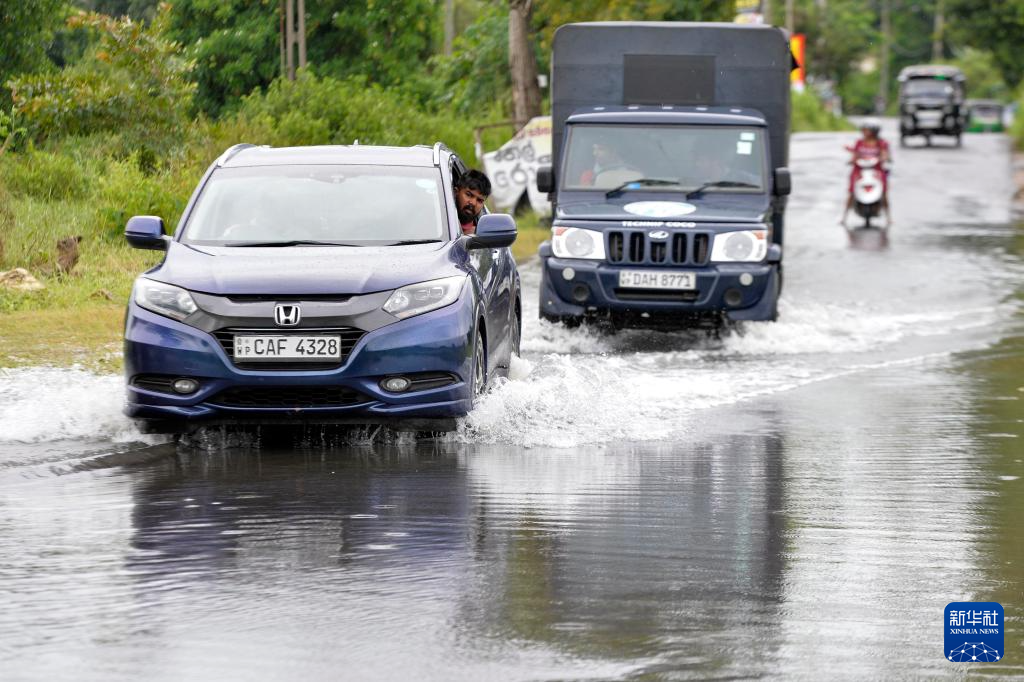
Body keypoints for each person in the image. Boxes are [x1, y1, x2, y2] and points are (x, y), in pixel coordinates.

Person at [841, 118, 892, 228]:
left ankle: (889, 217)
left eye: (867, 130)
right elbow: (855, 154)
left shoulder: (881, 143)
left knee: (884, 192)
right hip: (860, 169)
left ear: (874, 131)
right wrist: (852, 160)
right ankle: (844, 217)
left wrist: (884, 158)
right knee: (851, 192)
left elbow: (885, 154)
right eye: (864, 129)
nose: (864, 132)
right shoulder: (860, 142)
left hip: (876, 170)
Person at [455, 169, 491, 235]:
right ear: (456, 192)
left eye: (479, 200)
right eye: (469, 195)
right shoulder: (438, 221)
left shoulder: (481, 233)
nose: (473, 203)